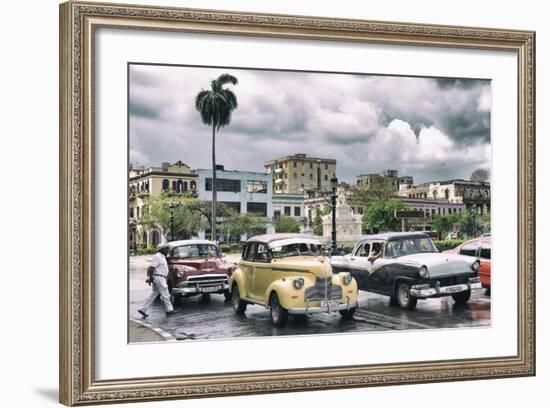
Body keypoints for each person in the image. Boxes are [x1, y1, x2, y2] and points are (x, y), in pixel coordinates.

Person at [138, 246, 175, 317]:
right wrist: (150, 278)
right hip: (159, 278)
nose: (167, 251)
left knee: (154, 294)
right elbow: (151, 268)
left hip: (161, 278)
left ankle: (142, 309)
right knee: (166, 295)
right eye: (166, 249)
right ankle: (169, 310)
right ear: (161, 249)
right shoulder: (157, 256)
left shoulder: (162, 257)